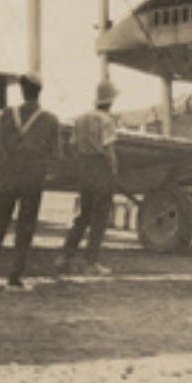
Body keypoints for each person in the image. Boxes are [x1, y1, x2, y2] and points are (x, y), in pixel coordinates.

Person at [0, 71, 60, 289]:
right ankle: (15, 274)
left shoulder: (7, 114)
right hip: (32, 179)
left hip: (7, 175)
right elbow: (56, 154)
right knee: (26, 227)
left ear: (22, 90)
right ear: (39, 92)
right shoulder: (50, 120)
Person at [57, 79, 119, 276]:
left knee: (83, 216)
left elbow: (73, 145)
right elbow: (109, 151)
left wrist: (82, 161)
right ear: (110, 101)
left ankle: (66, 254)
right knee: (99, 218)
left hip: (85, 169)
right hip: (101, 169)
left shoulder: (81, 119)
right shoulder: (107, 121)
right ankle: (90, 261)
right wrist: (113, 173)